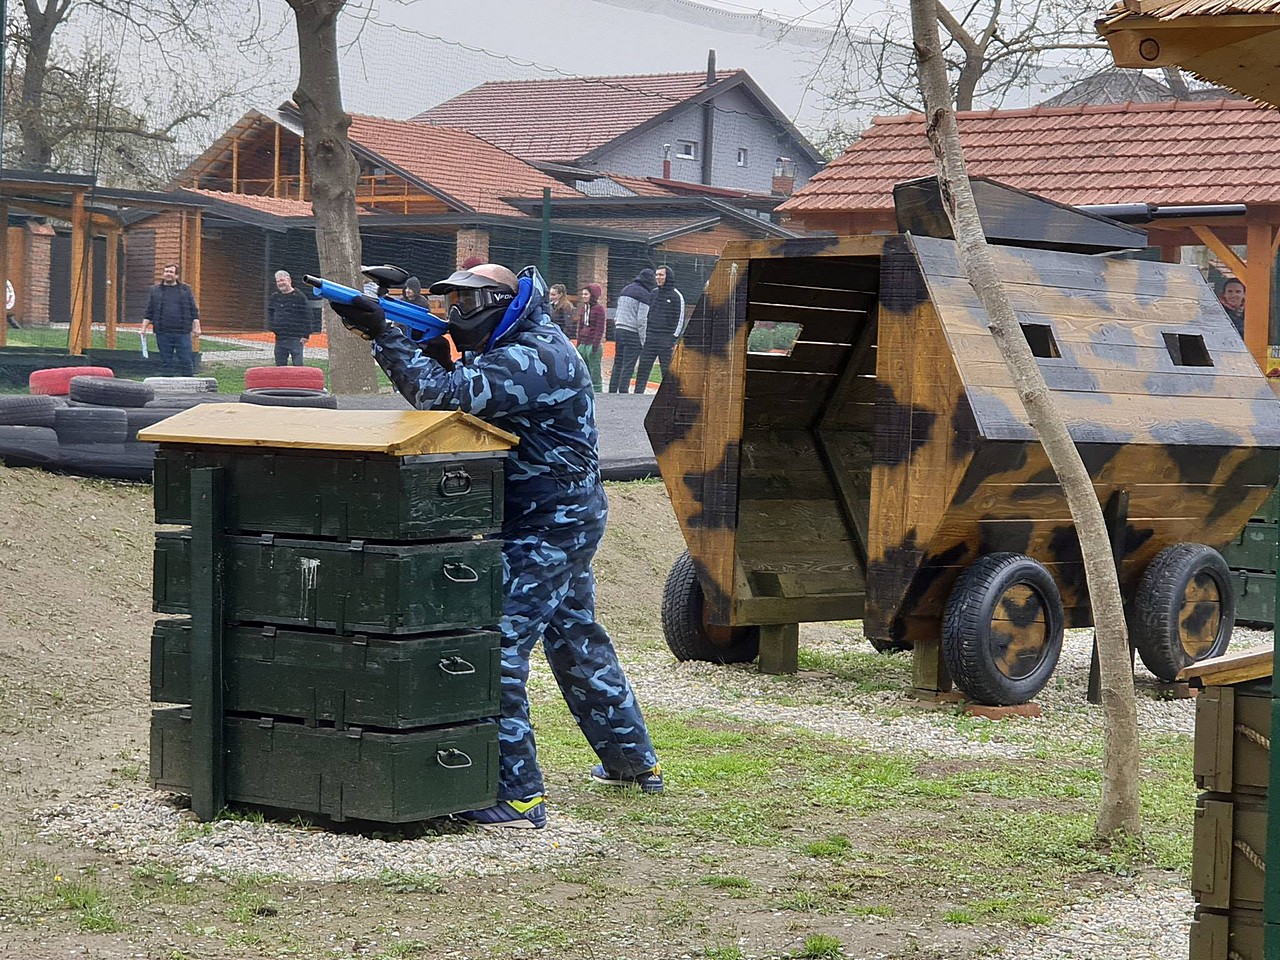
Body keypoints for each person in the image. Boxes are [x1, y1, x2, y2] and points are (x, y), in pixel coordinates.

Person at [330, 262, 662, 830]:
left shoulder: (536, 355)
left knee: (495, 644)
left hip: (551, 522)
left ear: (497, 304)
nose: (455, 314)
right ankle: (633, 762)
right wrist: (413, 338)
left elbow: (442, 396)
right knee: (575, 638)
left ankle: (517, 794)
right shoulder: (515, 344)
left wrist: (386, 334)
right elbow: (462, 390)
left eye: (464, 304)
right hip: (550, 514)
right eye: (449, 304)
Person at [140, 263, 201, 377]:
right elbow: (149, 311)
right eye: (166, 271)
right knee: (166, 361)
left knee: (186, 360)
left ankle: (189, 382)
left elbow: (193, 309)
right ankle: (167, 383)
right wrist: (143, 328)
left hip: (182, 332)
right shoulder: (155, 290)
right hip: (163, 332)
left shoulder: (185, 289)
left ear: (177, 275)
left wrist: (197, 327)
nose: (168, 274)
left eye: (171, 272)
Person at [632, 264, 684, 394]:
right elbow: (647, 315)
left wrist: (672, 338)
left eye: (661, 274)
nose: (658, 277)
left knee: (667, 371)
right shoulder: (653, 293)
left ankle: (670, 396)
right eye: (656, 275)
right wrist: (646, 334)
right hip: (650, 338)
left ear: (668, 276)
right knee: (643, 369)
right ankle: (637, 395)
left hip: (666, 340)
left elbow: (680, 319)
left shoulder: (676, 295)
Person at [609, 268, 655, 393]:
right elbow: (641, 320)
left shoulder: (625, 289)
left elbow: (618, 311)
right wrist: (643, 340)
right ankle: (623, 391)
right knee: (628, 364)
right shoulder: (645, 294)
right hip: (632, 333)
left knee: (618, 362)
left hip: (619, 329)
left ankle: (612, 390)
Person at [268, 270, 313, 366]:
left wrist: (306, 335)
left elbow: (308, 315)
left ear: (289, 280)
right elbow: (270, 313)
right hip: (280, 339)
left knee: (298, 366)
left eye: (282, 280)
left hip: (296, 338)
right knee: (280, 366)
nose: (280, 283)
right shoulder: (274, 297)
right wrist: (273, 327)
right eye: (278, 281)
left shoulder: (299, 296)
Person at [574, 283, 605, 392]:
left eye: (586, 294)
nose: (583, 296)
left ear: (593, 295)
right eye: (583, 294)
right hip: (583, 343)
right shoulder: (583, 309)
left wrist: (595, 345)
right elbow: (580, 326)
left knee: (594, 370)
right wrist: (578, 343)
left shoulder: (599, 309)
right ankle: (585, 390)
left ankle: (597, 391)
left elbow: (599, 328)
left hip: (592, 344)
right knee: (583, 369)